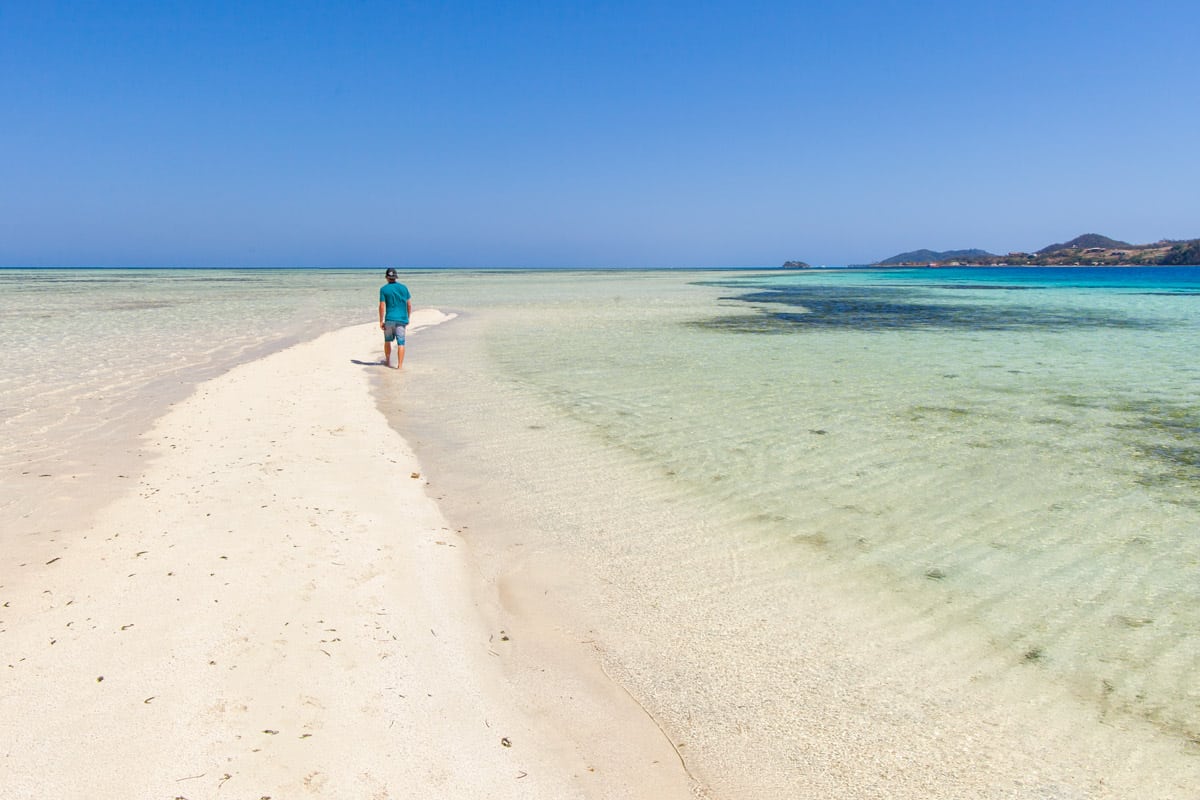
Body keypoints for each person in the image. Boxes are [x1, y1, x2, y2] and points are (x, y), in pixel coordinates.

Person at [378, 268, 412, 369]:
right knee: (401, 343)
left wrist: (381, 321)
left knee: (387, 341)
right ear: (395, 277)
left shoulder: (383, 289)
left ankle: (388, 361)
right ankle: (400, 366)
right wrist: (408, 317)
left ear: (386, 277)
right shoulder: (404, 288)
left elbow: (381, 306)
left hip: (389, 319)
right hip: (401, 319)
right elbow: (409, 305)